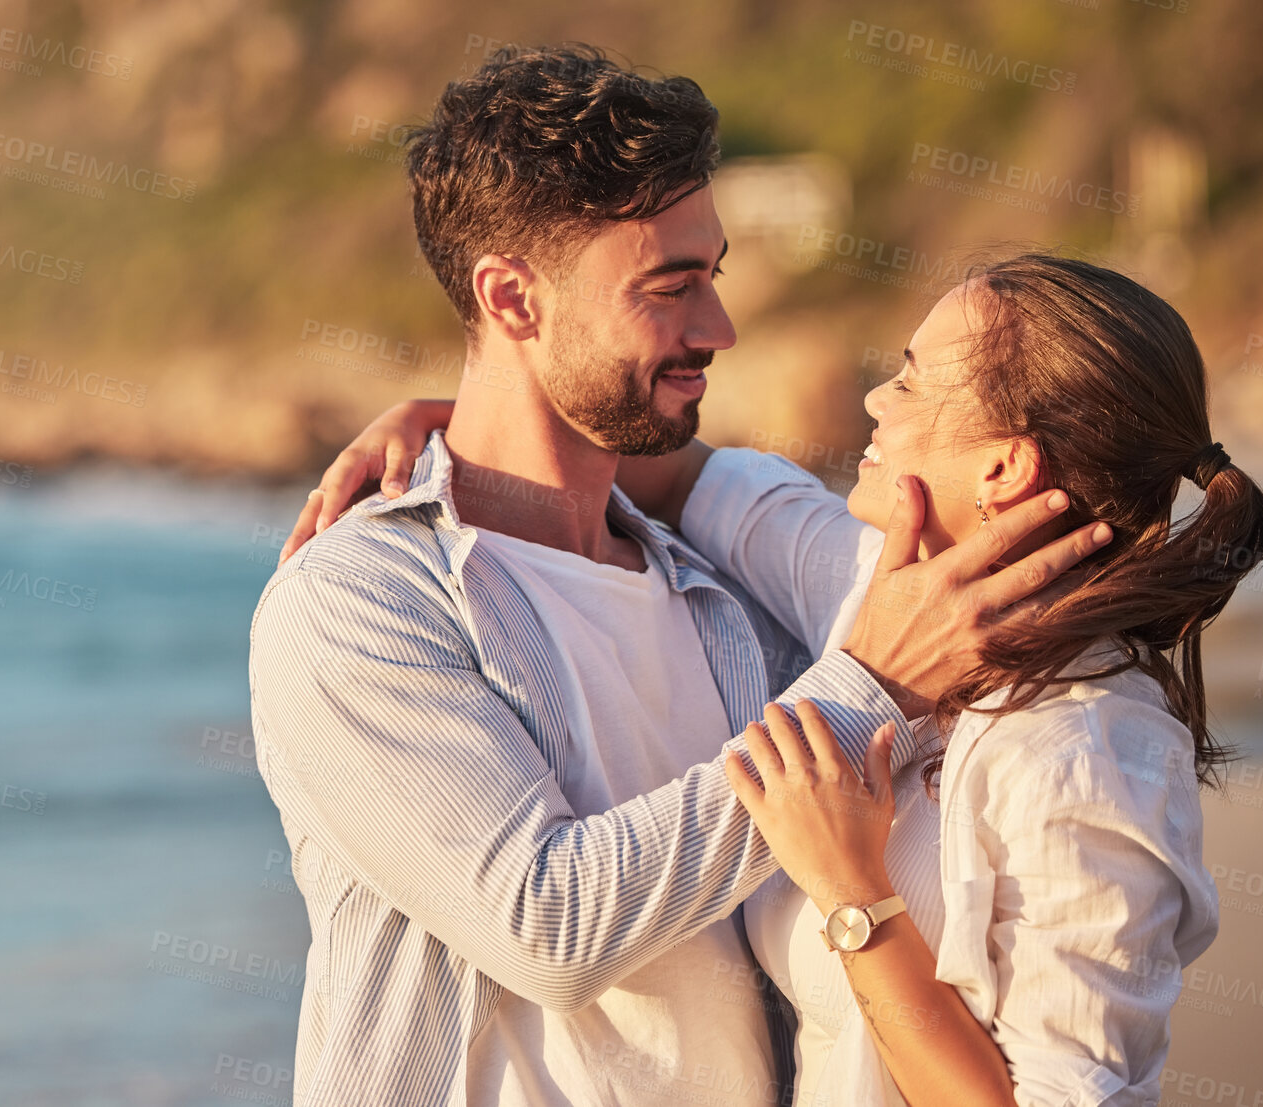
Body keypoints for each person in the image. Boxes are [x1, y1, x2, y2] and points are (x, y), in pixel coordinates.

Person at [248, 43, 1108, 1107]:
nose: (719, 328)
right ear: (511, 300)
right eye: (670, 286)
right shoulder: (357, 600)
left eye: (714, 275)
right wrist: (868, 687)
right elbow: (546, 926)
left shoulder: (718, 582)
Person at [295, 253, 1263, 1105]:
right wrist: (476, 423)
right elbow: (682, 478)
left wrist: (856, 898)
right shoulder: (861, 582)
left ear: (1005, 471)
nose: (873, 401)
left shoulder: (1090, 742)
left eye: (909, 378)